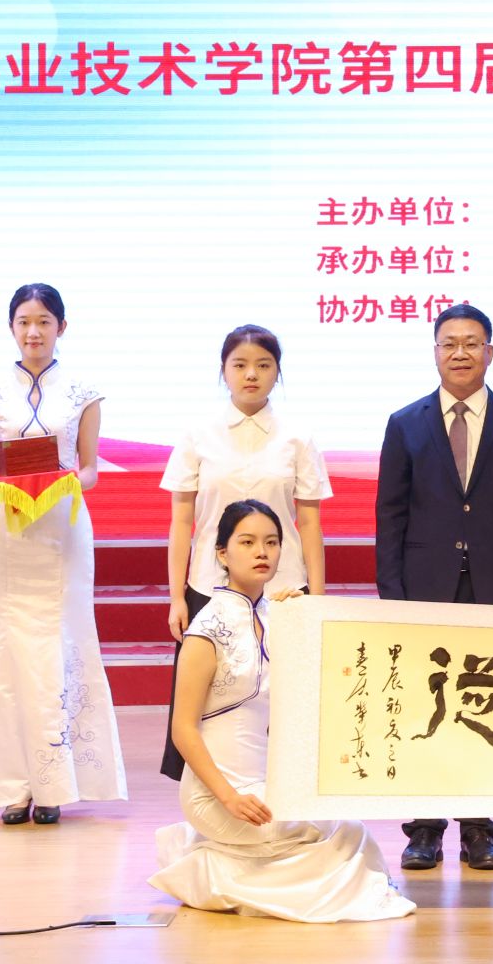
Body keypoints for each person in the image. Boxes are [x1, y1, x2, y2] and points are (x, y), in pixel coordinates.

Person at [150, 501, 414, 923]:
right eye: (248, 542)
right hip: (215, 791)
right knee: (336, 836)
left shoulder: (279, 616)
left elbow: (315, 689)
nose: (262, 552)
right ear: (222, 553)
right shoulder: (205, 631)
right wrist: (229, 797)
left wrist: (301, 620)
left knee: (347, 829)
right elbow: (183, 730)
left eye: (272, 543)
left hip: (265, 782)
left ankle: (220, 867)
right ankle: (206, 869)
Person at [0, 283, 127, 824]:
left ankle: (54, 782)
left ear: (61, 327)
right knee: (8, 651)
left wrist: (62, 482)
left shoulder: (85, 392)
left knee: (59, 646)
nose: (33, 331)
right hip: (11, 534)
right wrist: (5, 487)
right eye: (24, 321)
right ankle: (12, 783)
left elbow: (90, 469)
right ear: (11, 328)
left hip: (63, 530)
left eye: (44, 321)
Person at [374, 303, 493, 871]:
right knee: (425, 712)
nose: (461, 353)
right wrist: (393, 596)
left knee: (485, 708)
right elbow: (390, 516)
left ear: (490, 352)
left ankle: (479, 829)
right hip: (423, 589)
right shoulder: (406, 423)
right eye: (449, 343)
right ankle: (424, 829)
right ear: (435, 352)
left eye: (472, 343)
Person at [157, 325, 332, 781]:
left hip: (283, 591)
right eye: (240, 365)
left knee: (286, 704)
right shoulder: (199, 435)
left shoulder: (297, 437)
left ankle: (284, 797)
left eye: (263, 365)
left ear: (278, 372)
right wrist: (176, 597)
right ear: (224, 371)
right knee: (206, 700)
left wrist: (316, 596)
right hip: (210, 587)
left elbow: (309, 523)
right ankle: (211, 793)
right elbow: (181, 522)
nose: (251, 374)